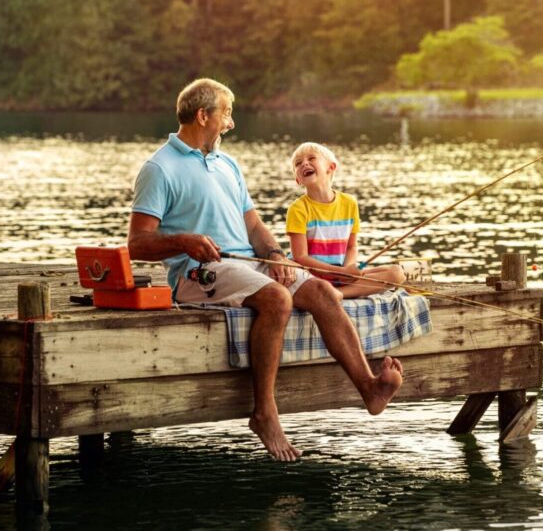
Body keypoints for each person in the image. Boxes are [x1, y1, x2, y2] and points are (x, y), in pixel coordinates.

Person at [127, 78, 403, 462]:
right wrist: (184, 242)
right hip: (199, 272)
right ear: (203, 115)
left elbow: (254, 228)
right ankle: (265, 413)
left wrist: (278, 256)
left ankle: (370, 388)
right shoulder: (159, 168)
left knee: (320, 291)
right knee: (276, 298)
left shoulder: (227, 163)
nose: (231, 123)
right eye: (226, 114)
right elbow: (137, 244)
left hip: (250, 263)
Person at [286, 142, 405, 298]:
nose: (305, 163)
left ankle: (338, 294)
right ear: (297, 179)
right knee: (293, 277)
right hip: (309, 276)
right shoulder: (298, 209)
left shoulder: (349, 203)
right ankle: (330, 292)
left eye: (311, 158)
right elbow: (300, 258)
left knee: (396, 273)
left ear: (331, 167)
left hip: (340, 275)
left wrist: (349, 270)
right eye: (298, 163)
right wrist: (340, 272)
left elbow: (351, 246)